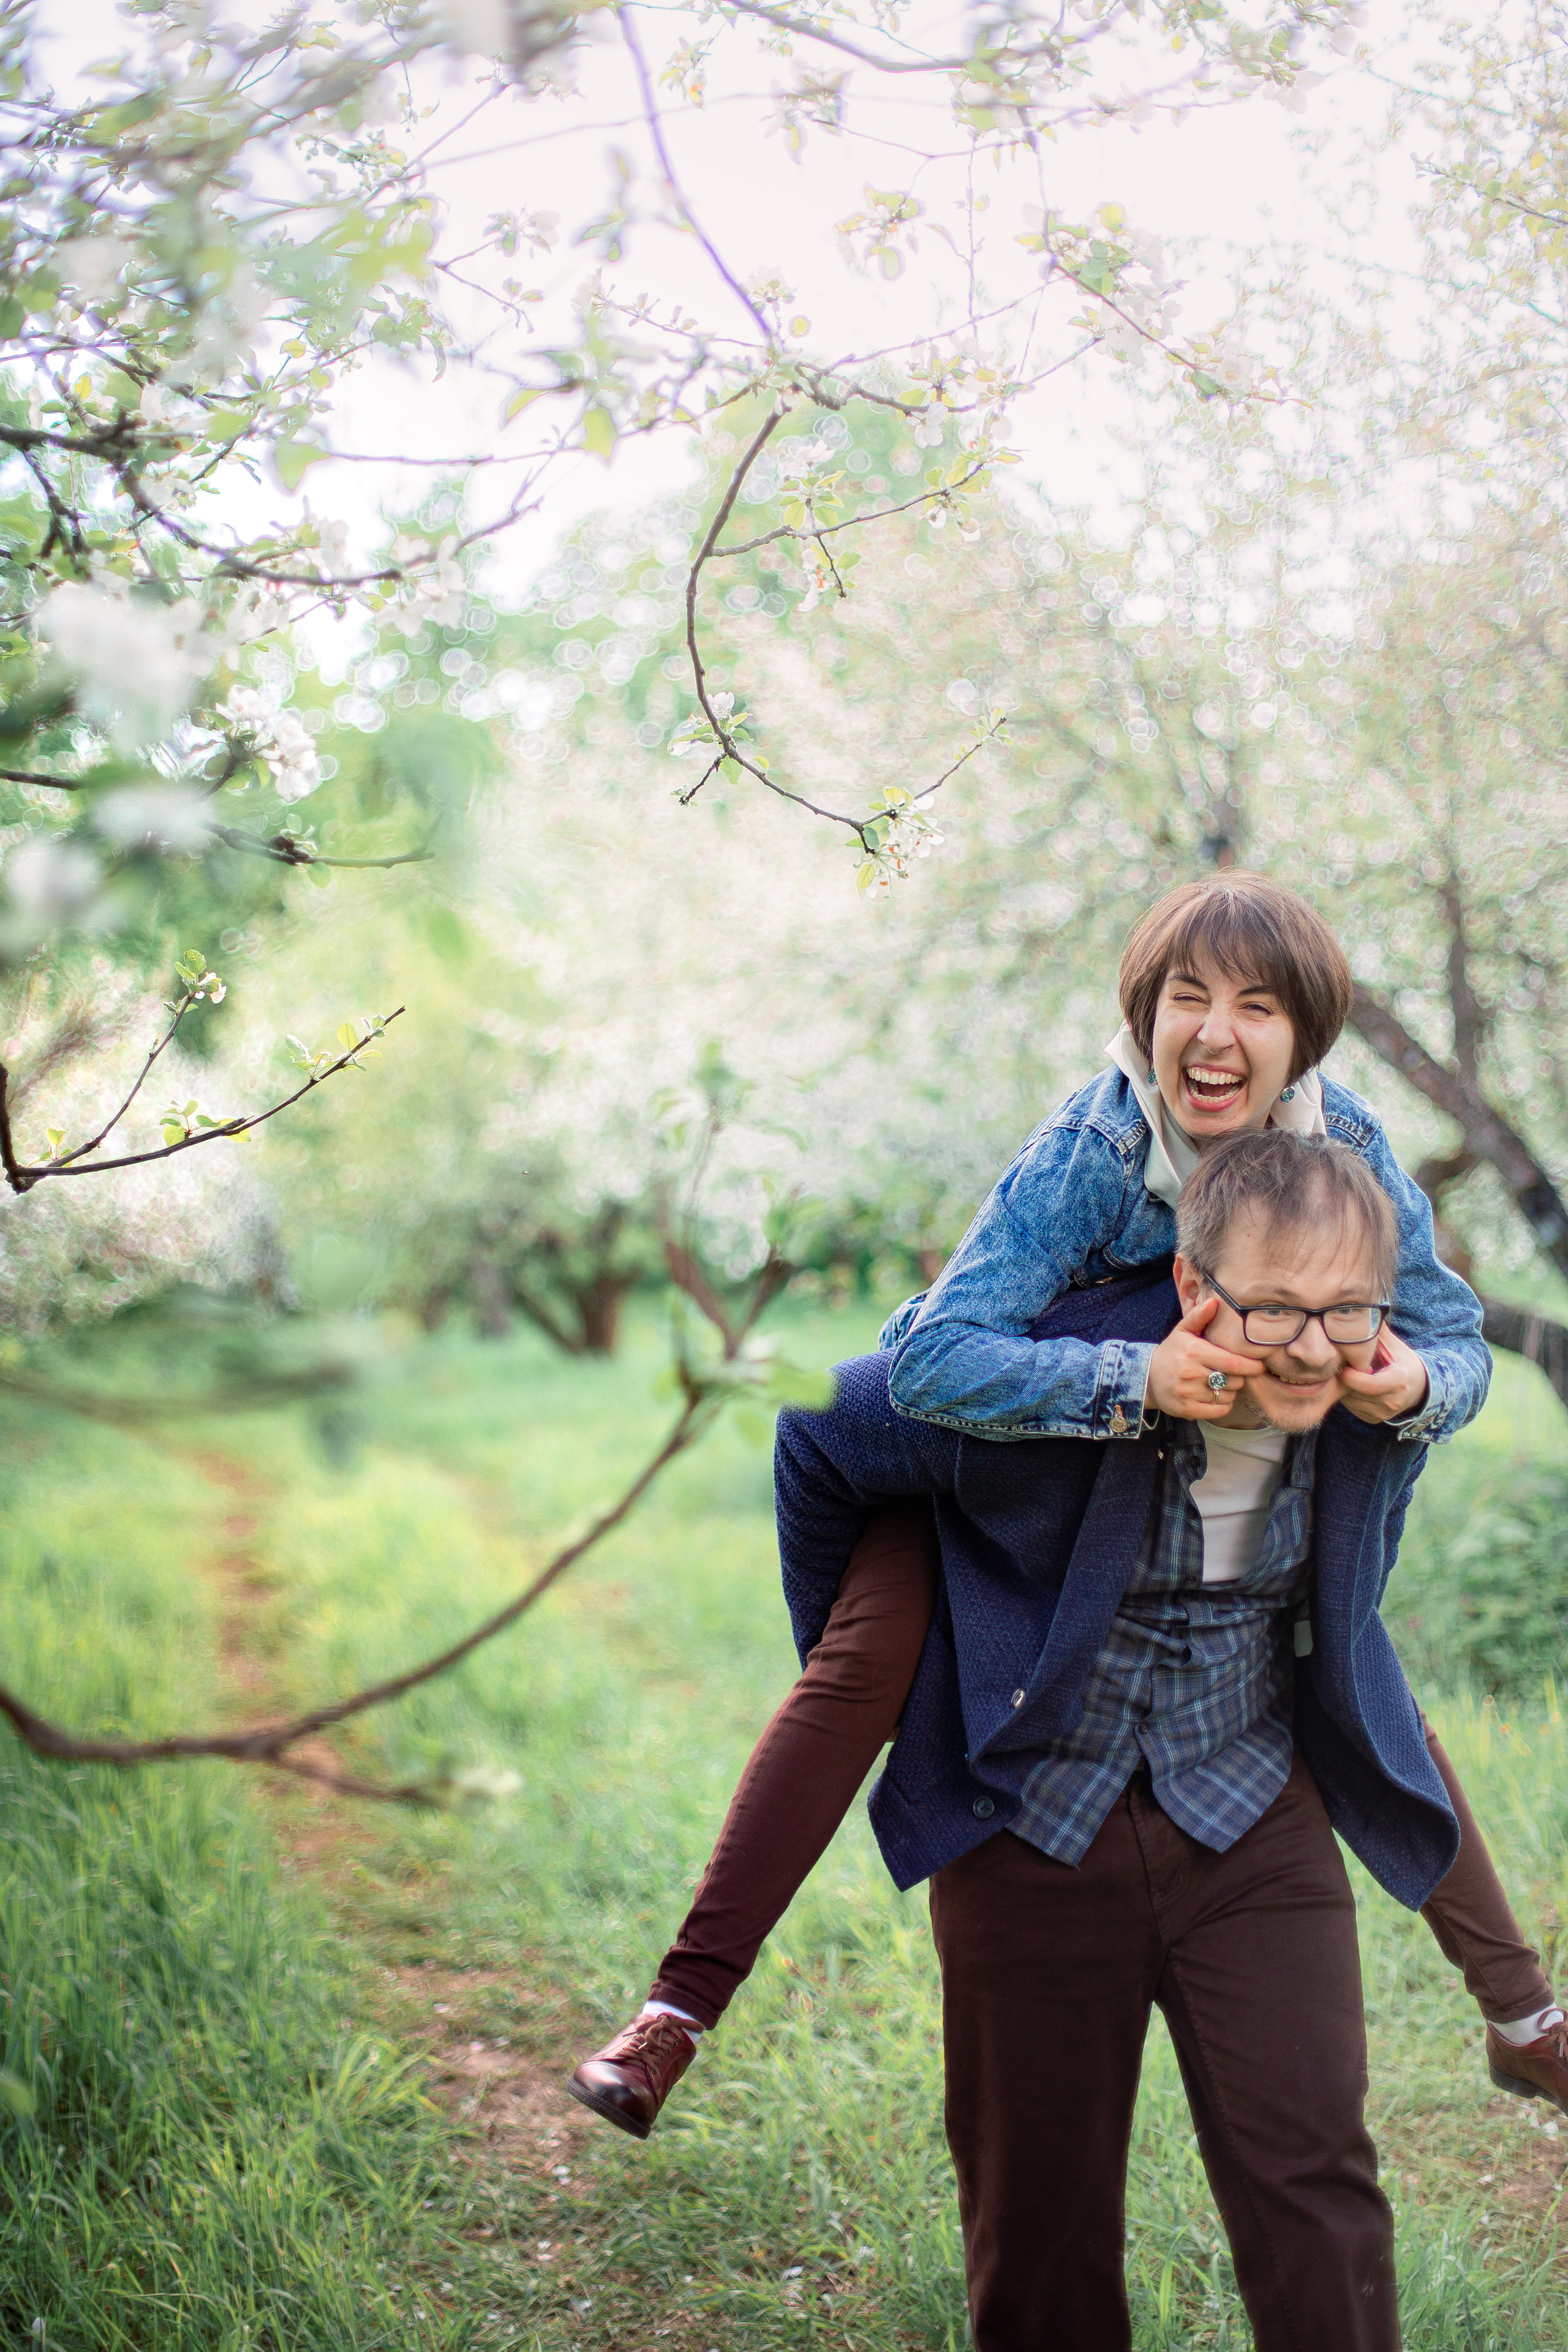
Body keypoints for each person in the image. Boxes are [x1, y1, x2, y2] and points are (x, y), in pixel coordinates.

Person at [567, 875, 1565, 2140]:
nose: (1212, 1032)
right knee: (859, 1673)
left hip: (1107, 1490)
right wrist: (1132, 1376)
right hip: (943, 1460)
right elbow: (926, 1365)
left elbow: (1454, 1339)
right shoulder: (1092, 1151)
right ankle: (676, 2014)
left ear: (1302, 1041)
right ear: (1140, 1018)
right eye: (1182, 998)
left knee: (1353, 1659)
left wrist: (1412, 1380)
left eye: (1254, 1006)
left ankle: (1525, 2018)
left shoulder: (1348, 1151)